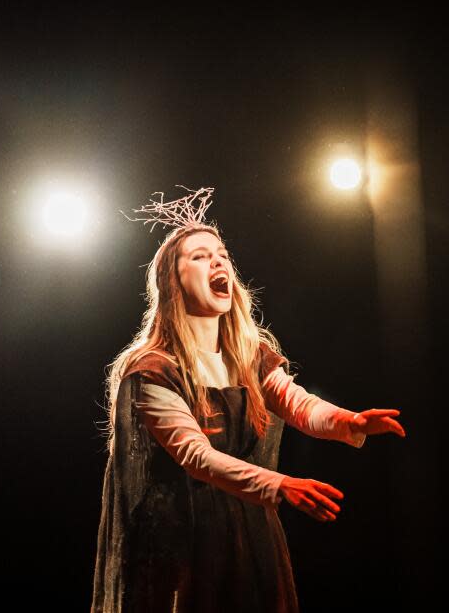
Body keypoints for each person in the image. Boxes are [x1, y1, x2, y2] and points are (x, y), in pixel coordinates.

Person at [91, 188, 406, 612]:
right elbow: (196, 456)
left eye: (221, 254)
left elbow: (298, 402)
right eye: (200, 257)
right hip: (185, 541)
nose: (217, 261)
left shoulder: (249, 354)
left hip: (248, 534)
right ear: (173, 280)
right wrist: (279, 485)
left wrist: (349, 422)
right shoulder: (152, 369)